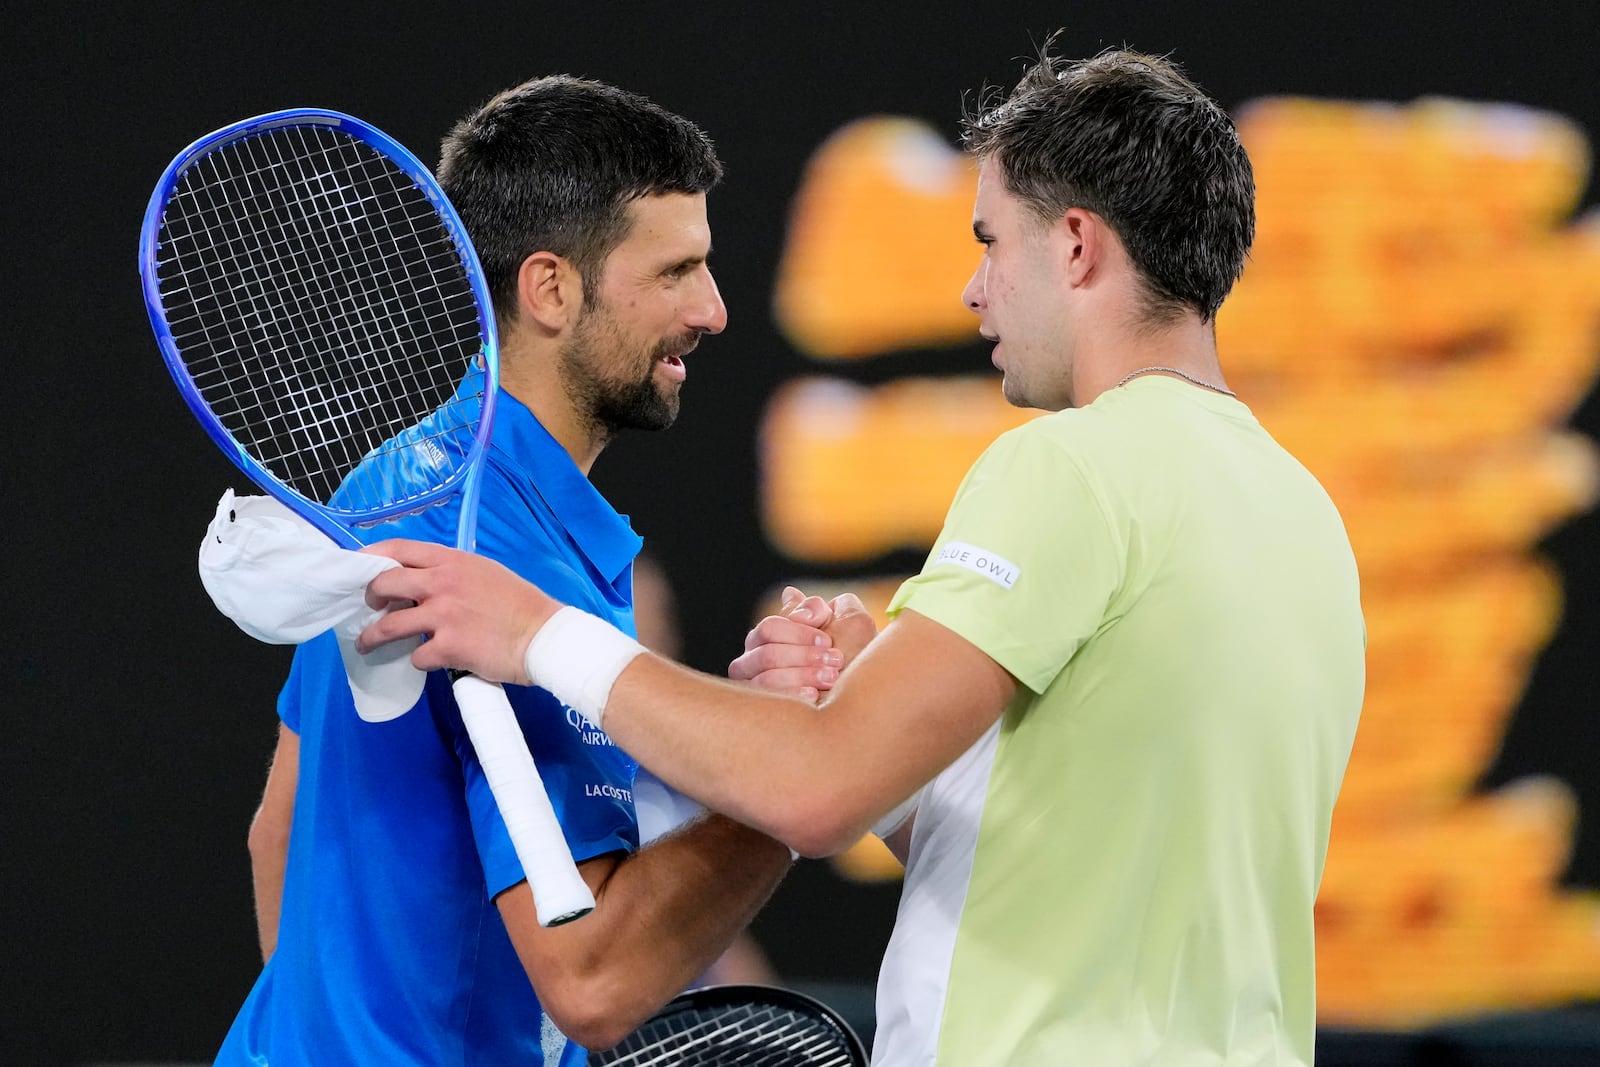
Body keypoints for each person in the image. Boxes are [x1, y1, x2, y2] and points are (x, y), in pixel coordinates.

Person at [359, 45, 1366, 1067]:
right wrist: (880, 703)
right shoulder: (1304, 514)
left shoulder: (1071, 468)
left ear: (1074, 246)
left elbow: (816, 793)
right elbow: (1056, 850)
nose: (976, 290)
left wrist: (537, 635)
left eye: (991, 242)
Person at [219, 76, 797, 1065]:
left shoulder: (392, 486)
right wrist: (788, 783)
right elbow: (595, 979)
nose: (714, 309)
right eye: (676, 271)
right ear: (550, 289)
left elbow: (278, 831)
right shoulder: (509, 572)